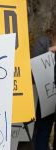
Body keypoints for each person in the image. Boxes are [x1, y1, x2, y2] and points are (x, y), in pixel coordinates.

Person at [31, 18, 56, 150]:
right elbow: (34, 67)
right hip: (46, 97)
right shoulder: (43, 41)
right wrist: (50, 51)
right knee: (43, 131)